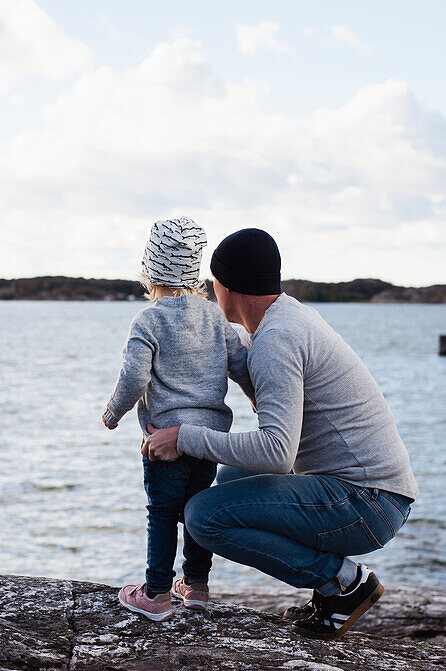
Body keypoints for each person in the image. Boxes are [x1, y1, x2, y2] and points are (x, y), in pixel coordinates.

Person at [142, 228, 418, 639]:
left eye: (213, 281)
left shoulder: (277, 339)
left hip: (368, 502)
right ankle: (332, 592)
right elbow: (274, 406)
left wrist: (185, 436)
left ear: (227, 286)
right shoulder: (287, 317)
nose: (210, 289)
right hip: (373, 492)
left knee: (203, 516)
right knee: (231, 479)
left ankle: (342, 582)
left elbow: (276, 453)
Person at [103, 217, 255, 622]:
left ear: (151, 270)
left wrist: (113, 412)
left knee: (162, 512)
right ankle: (197, 586)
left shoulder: (149, 320)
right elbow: (241, 364)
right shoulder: (214, 318)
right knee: (194, 510)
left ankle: (155, 592)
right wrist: (259, 401)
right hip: (207, 440)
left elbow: (134, 377)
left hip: (164, 440)